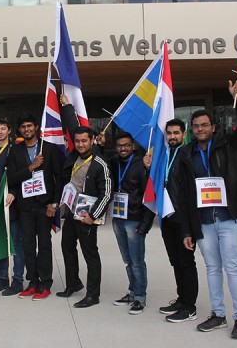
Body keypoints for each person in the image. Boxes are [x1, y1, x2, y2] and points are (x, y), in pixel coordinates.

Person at [182, 79, 237, 339]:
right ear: (191, 130)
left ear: (213, 128)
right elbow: (183, 193)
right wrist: (187, 229)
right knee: (212, 269)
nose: (201, 129)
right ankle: (217, 314)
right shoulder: (187, 154)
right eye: (196, 126)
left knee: (233, 268)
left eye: (205, 125)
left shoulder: (228, 146)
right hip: (203, 221)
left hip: (229, 218)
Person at [144, 119, 199, 323]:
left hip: (184, 219)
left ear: (184, 134)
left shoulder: (186, 157)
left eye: (176, 133)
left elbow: (188, 193)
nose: (172, 136)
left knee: (186, 262)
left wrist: (188, 229)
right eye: (169, 133)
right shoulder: (165, 156)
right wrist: (150, 168)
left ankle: (189, 306)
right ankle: (182, 299)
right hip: (168, 218)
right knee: (175, 261)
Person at [7, 113, 63, 301]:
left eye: (30, 126)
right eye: (23, 127)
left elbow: (60, 178)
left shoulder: (49, 148)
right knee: (28, 246)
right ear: (19, 130)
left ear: (36, 127)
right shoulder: (15, 151)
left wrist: (54, 203)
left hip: (45, 205)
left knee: (44, 245)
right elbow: (11, 178)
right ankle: (33, 282)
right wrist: (31, 167)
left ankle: (45, 283)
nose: (27, 129)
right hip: (25, 207)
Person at [58, 126, 111, 308]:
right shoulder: (73, 157)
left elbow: (107, 194)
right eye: (78, 141)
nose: (80, 144)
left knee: (90, 255)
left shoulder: (99, 163)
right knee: (67, 247)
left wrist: (93, 215)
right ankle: (73, 283)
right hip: (72, 213)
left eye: (84, 141)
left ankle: (92, 295)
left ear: (92, 140)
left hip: (87, 216)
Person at [109, 131, 154, 315]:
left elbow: (149, 197)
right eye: (120, 145)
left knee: (137, 261)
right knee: (128, 260)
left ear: (132, 146)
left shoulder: (141, 164)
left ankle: (140, 298)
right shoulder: (114, 162)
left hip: (134, 219)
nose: (123, 148)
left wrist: (145, 224)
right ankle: (132, 291)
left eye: (127, 145)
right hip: (118, 218)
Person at [0, 118, 25, 296]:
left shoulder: (15, 148)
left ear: (9, 130)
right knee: (1, 240)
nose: (0, 132)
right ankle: (2, 276)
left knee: (15, 242)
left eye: (3, 128)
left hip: (11, 202)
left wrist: (14, 192)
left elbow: (19, 174)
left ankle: (17, 279)